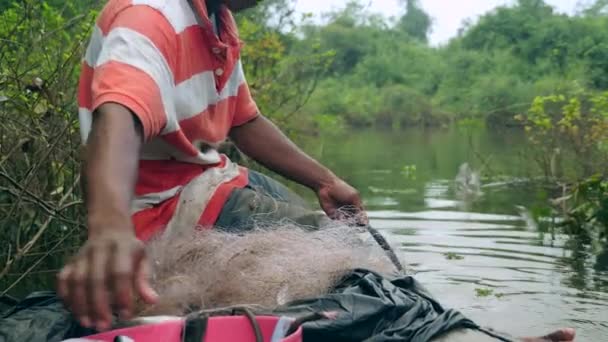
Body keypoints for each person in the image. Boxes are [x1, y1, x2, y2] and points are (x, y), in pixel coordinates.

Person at [57, 0, 366, 333]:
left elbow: (245, 120)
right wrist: (109, 230)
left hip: (215, 180)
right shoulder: (151, 15)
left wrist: (325, 181)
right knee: (341, 263)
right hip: (168, 211)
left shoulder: (218, 22)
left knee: (333, 238)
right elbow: (118, 116)